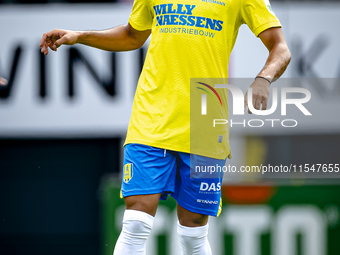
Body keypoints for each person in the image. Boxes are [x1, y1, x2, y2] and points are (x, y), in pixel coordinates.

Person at [38, 0, 291, 254]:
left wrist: (264, 78)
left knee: (194, 232)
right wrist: (80, 36)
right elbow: (131, 35)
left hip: (205, 125)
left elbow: (280, 48)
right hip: (151, 119)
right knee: (135, 223)